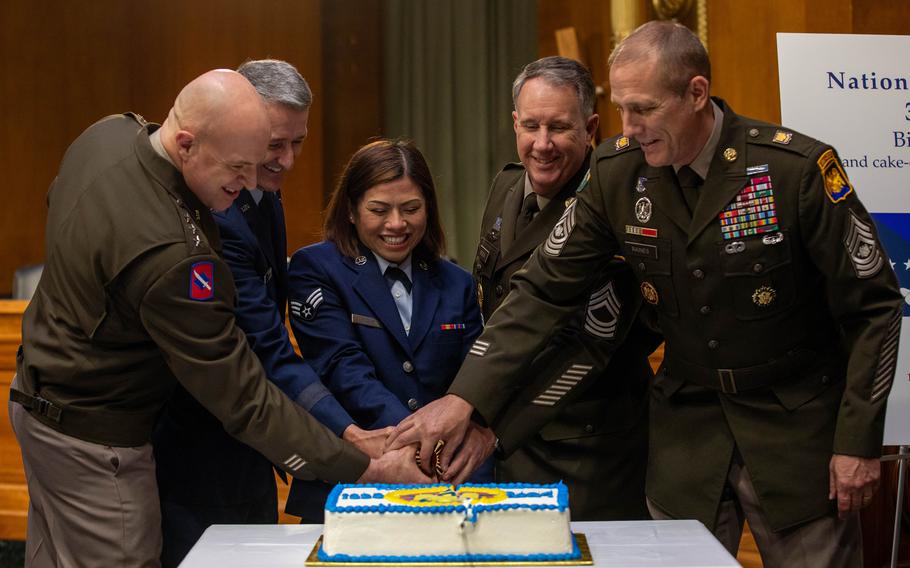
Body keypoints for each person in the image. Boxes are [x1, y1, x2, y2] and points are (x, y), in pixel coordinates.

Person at [388, 21, 902, 566]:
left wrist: (857, 440)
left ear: (696, 93)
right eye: (622, 108)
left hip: (795, 434)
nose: (628, 128)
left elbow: (875, 307)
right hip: (687, 437)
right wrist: (465, 400)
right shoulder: (617, 172)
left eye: (645, 109)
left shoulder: (791, 172)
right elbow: (541, 291)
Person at [9, 69, 429, 567]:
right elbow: (243, 394)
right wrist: (359, 466)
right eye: (239, 168)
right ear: (186, 143)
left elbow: (60, 202)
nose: (255, 183)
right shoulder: (175, 258)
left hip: (37, 399)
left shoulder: (107, 134)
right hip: (98, 440)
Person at [152, 60, 390, 566]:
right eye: (274, 144)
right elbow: (267, 347)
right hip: (200, 446)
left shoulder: (263, 195)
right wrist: (351, 438)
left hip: (254, 446)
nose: (285, 160)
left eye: (297, 142)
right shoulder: (216, 214)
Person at [472, 56, 655, 520]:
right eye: (530, 125)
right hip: (507, 437)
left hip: (586, 446)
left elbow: (589, 343)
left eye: (559, 127)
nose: (542, 144)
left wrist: (487, 424)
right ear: (514, 123)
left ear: (591, 127)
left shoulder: (620, 201)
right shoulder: (506, 185)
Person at [284, 139, 489, 520]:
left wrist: (475, 433)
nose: (397, 224)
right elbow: (342, 367)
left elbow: (474, 375)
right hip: (355, 481)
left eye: (411, 208)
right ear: (351, 209)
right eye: (379, 210)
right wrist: (418, 441)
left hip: (447, 486)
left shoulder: (456, 282)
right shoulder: (316, 268)